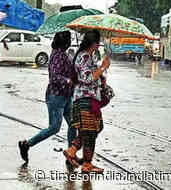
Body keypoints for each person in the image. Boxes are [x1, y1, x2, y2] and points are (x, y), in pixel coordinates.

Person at [18, 31, 77, 163]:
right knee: (54, 127)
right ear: (64, 42)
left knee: (73, 124)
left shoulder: (65, 54)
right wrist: (68, 81)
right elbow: (54, 77)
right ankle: (27, 144)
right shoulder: (57, 55)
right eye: (68, 41)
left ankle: (70, 153)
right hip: (56, 96)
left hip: (67, 95)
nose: (70, 43)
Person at [63, 30, 111, 173]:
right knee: (89, 132)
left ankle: (78, 156)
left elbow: (91, 77)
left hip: (88, 98)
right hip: (85, 99)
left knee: (92, 130)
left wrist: (101, 74)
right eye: (98, 43)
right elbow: (88, 78)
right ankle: (81, 159)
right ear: (95, 44)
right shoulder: (84, 56)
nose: (99, 46)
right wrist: (103, 67)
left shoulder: (86, 56)